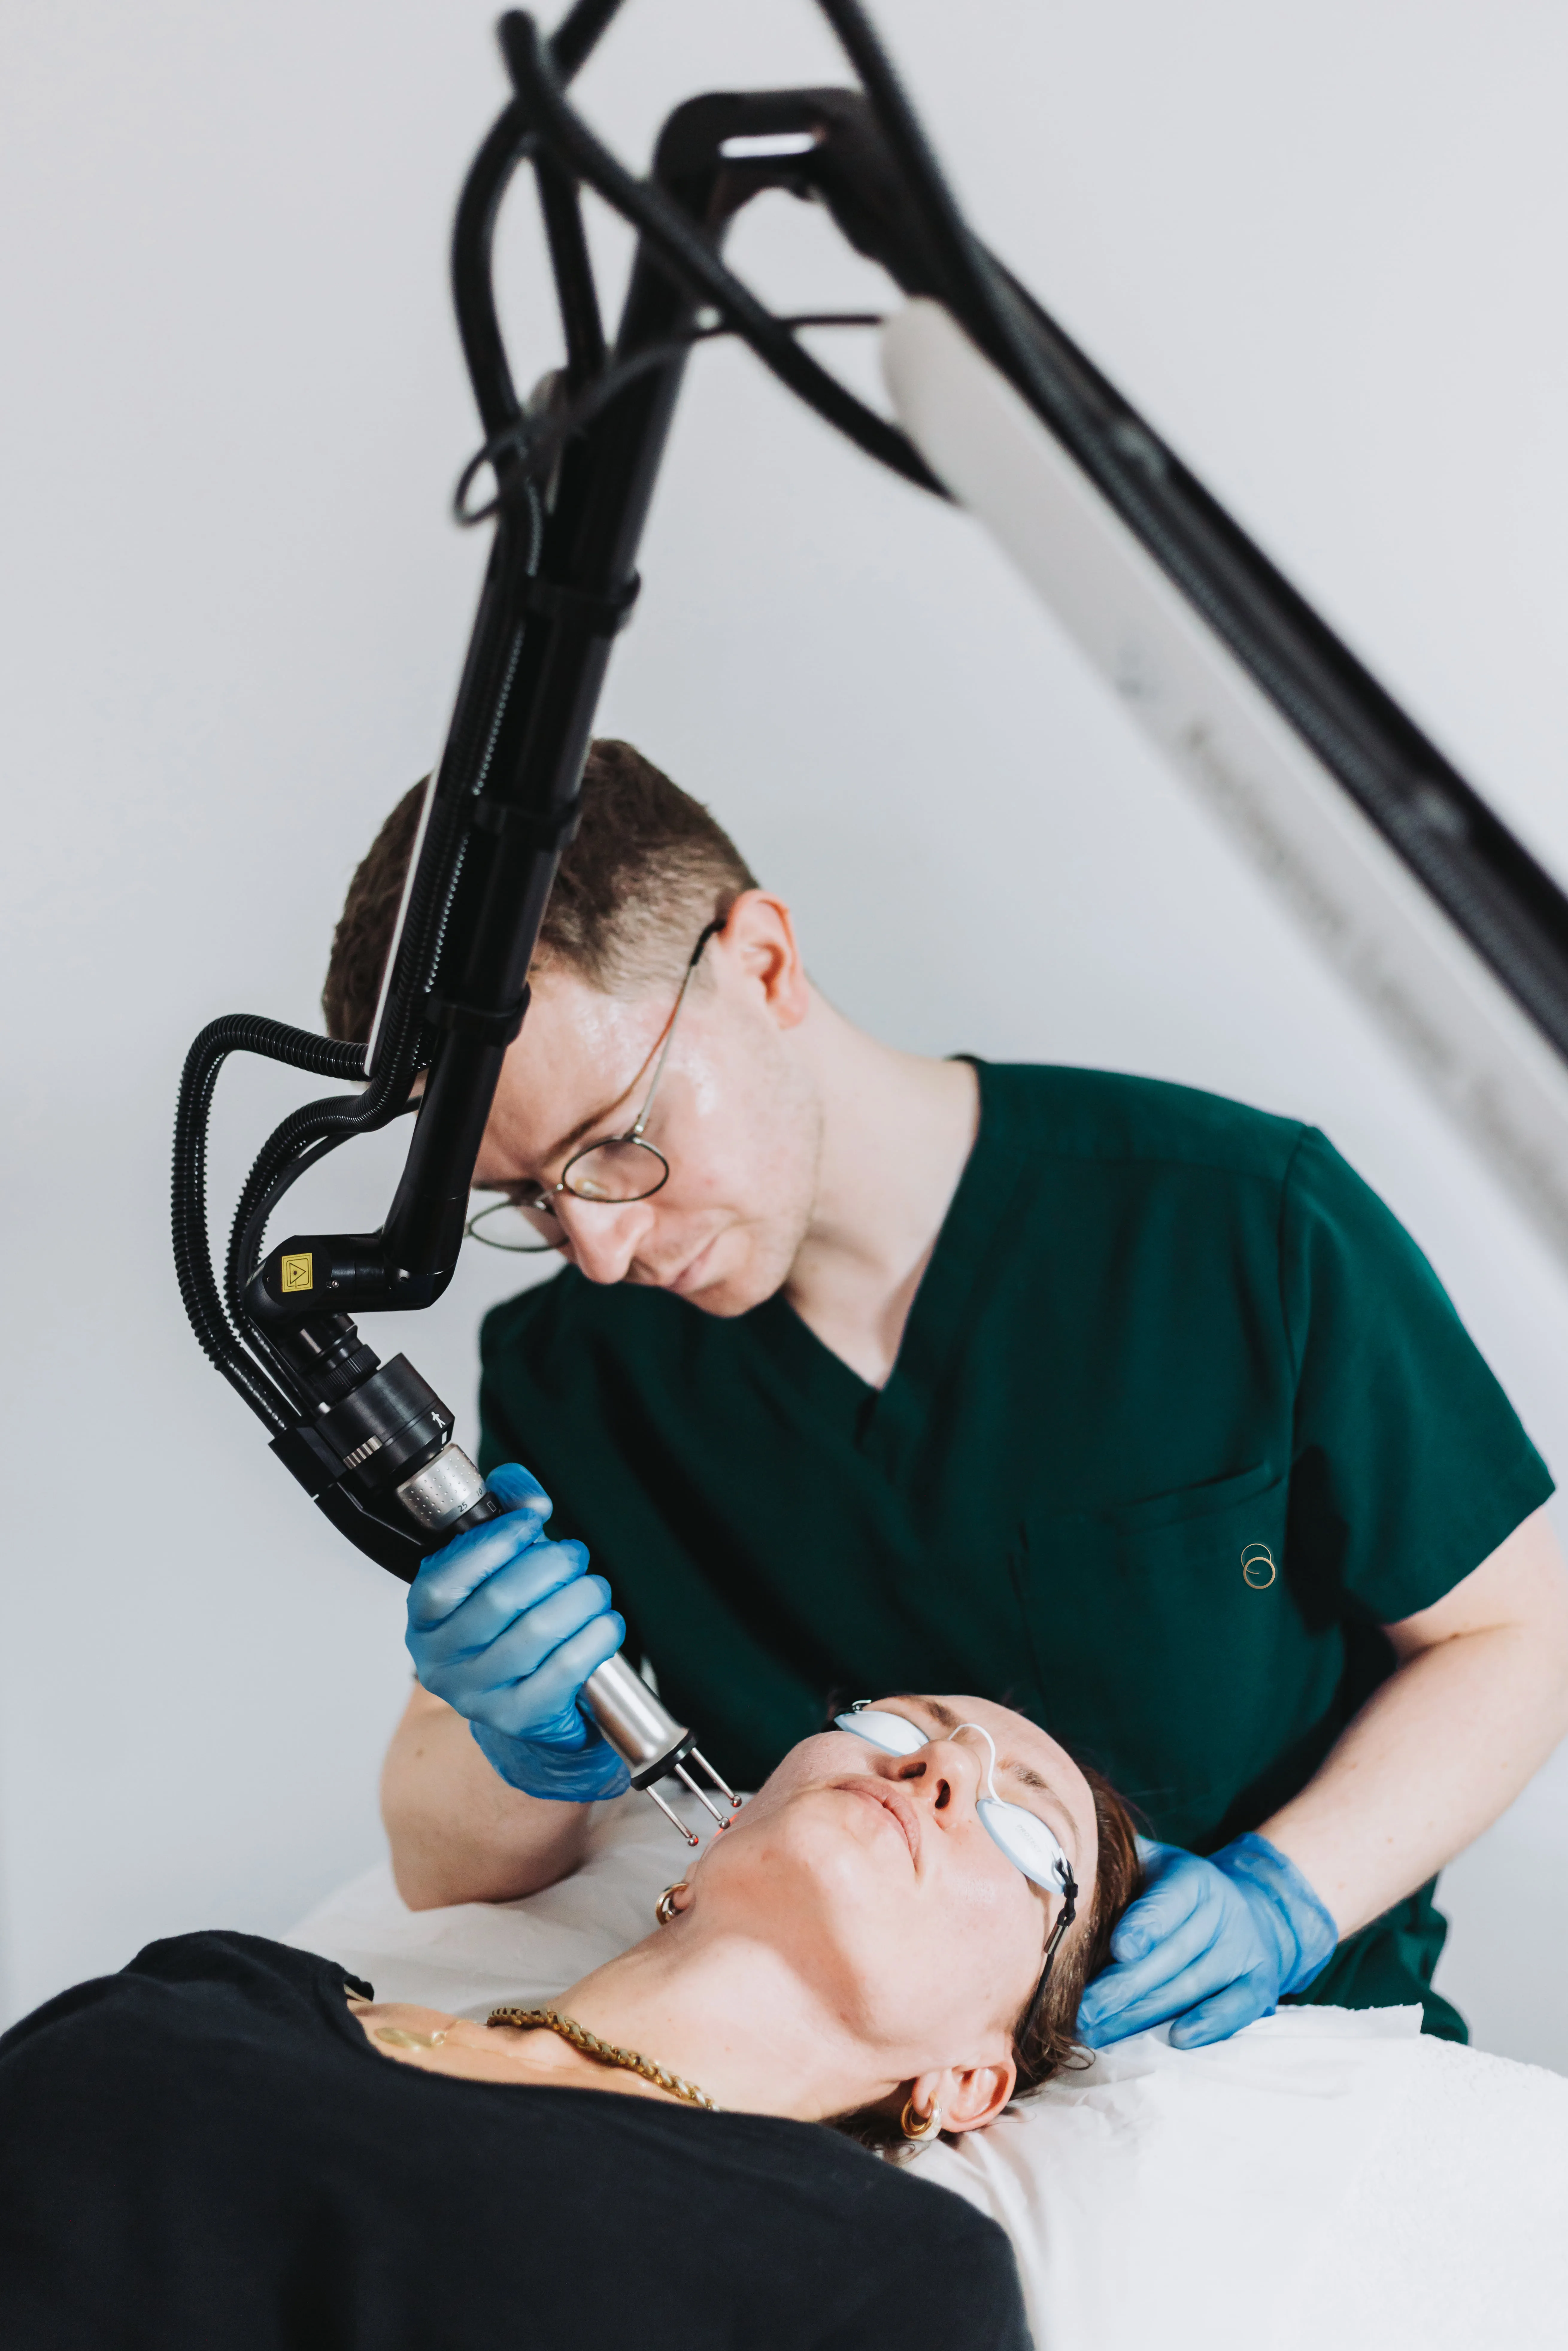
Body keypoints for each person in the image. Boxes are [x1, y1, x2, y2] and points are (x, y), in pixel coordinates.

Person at [329, 739, 1568, 2046]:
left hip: (1289, 2061)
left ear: (761, 963)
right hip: (873, 2090)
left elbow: (1515, 1638)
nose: (598, 1247)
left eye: (615, 1146)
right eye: (522, 1199)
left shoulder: (1236, 1224)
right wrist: (517, 1738)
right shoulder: (575, 1372)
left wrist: (1286, 1899)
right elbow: (445, 1866)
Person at [0, 1695, 1140, 2351]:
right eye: (888, 1719)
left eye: (1024, 1826)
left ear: (967, 2082)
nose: (936, 1763)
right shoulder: (230, 1982)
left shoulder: (898, 2272)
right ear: (719, 1827)